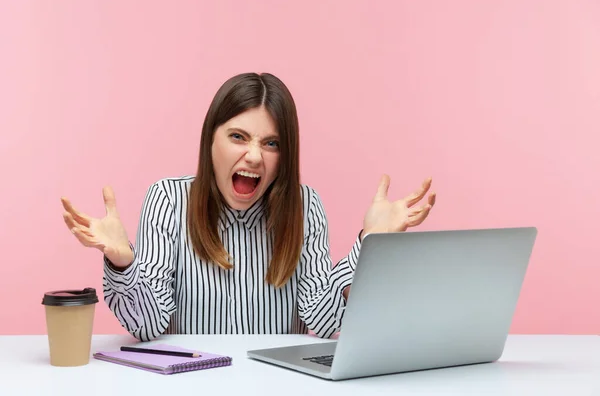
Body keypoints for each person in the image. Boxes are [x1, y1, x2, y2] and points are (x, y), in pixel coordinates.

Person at [60, 72, 436, 342]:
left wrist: (370, 242)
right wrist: (122, 262)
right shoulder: (168, 200)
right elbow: (147, 326)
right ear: (211, 140)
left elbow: (322, 321)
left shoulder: (304, 206)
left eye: (271, 143)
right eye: (238, 137)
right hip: (194, 383)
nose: (254, 156)